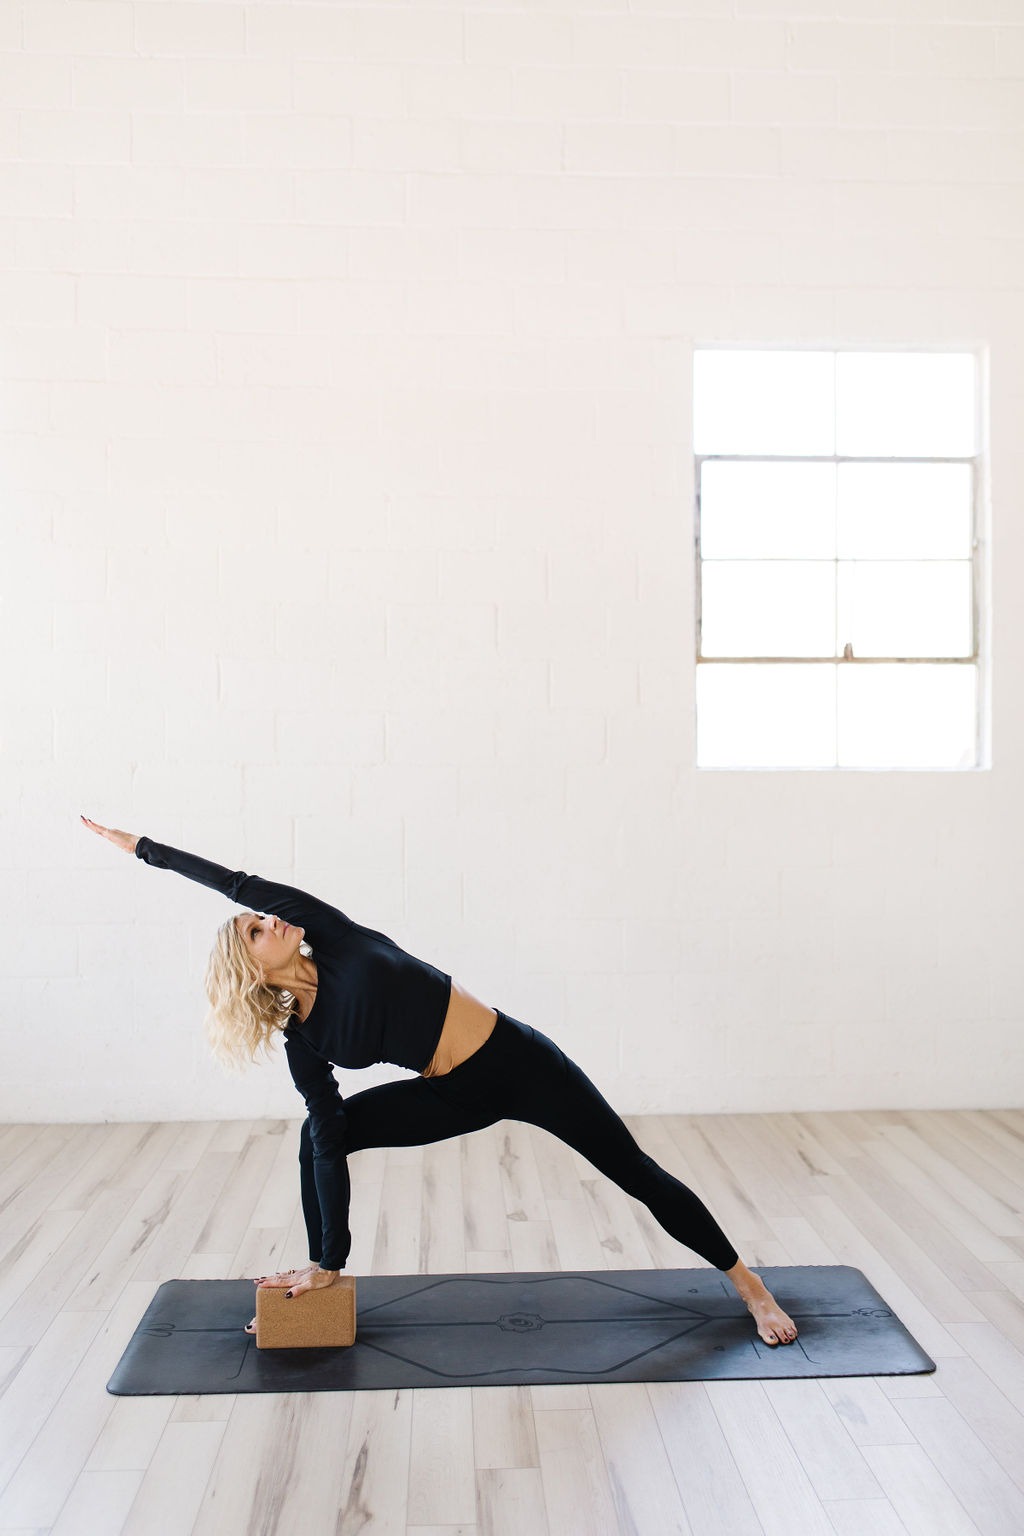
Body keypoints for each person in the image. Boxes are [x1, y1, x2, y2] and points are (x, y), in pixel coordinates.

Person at [81, 816, 798, 1347]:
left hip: (521, 1063)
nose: (268, 919)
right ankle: (320, 1267)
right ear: (252, 967)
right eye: (254, 930)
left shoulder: (329, 934)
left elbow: (235, 882)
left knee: (633, 1170)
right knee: (319, 1134)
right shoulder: (306, 1037)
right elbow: (328, 1134)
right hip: (453, 1095)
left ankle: (750, 1286)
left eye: (261, 919)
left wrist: (143, 849)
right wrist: (332, 1260)